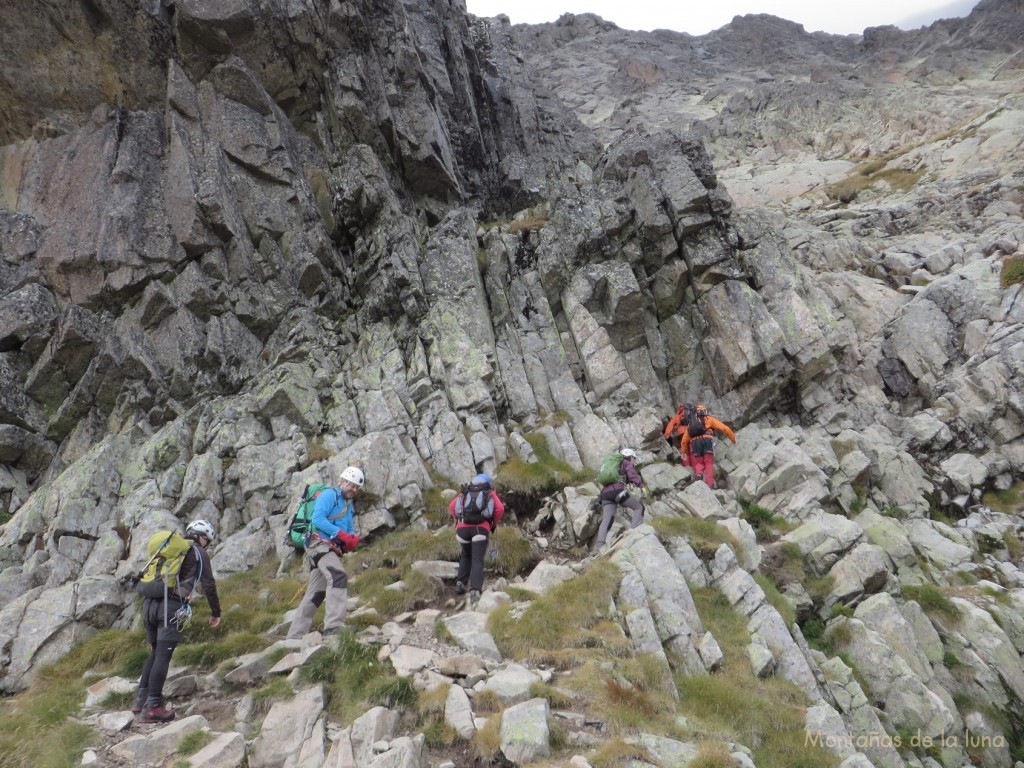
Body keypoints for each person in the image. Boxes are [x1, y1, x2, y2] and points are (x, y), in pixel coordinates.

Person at [133, 519, 221, 723]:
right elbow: (208, 583)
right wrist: (216, 611)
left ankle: (140, 700)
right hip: (170, 607)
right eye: (207, 540)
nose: (206, 544)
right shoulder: (198, 552)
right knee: (163, 655)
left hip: (149, 606)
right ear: (202, 537)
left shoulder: (169, 550)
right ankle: (153, 707)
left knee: (155, 652)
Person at [287, 466, 363, 639]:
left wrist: (350, 539)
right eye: (351, 485)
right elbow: (318, 519)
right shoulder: (329, 495)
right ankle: (334, 627)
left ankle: (294, 637)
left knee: (317, 592)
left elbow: (349, 528)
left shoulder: (347, 505)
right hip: (317, 542)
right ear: (343, 481)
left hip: (330, 548)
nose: (354, 489)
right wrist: (340, 534)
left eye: (357, 487)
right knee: (337, 576)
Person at [449, 473, 505, 608]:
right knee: (477, 560)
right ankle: (475, 590)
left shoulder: (466, 491)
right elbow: (500, 509)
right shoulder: (488, 492)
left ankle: (460, 584)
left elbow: (452, 506)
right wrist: (492, 524)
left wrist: (459, 519)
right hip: (480, 530)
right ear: (487, 482)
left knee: (466, 555)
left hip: (462, 530)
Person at [665, 403, 736, 488]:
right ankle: (710, 484)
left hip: (694, 442)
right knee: (708, 462)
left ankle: (699, 474)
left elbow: (684, 440)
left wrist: (683, 451)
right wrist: (733, 438)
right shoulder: (709, 419)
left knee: (698, 462)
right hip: (707, 440)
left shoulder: (690, 422)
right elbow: (724, 428)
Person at [595, 448, 647, 549]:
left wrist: (599, 500)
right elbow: (633, 476)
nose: (634, 461)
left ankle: (600, 545)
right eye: (634, 458)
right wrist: (642, 486)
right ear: (630, 457)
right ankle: (634, 532)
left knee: (607, 520)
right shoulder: (626, 462)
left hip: (606, 496)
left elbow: (607, 487)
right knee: (639, 507)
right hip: (618, 492)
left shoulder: (614, 467)